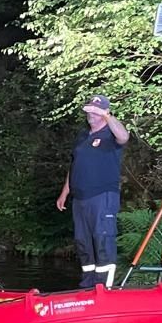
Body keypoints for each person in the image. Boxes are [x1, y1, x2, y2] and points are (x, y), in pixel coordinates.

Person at [57, 95, 129, 288]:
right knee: (83, 242)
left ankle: (105, 287)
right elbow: (74, 165)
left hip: (102, 196)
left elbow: (124, 136)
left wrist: (106, 115)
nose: (91, 115)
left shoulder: (110, 134)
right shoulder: (82, 136)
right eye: (89, 110)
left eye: (95, 111)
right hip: (80, 198)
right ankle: (88, 285)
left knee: (103, 238)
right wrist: (65, 191)